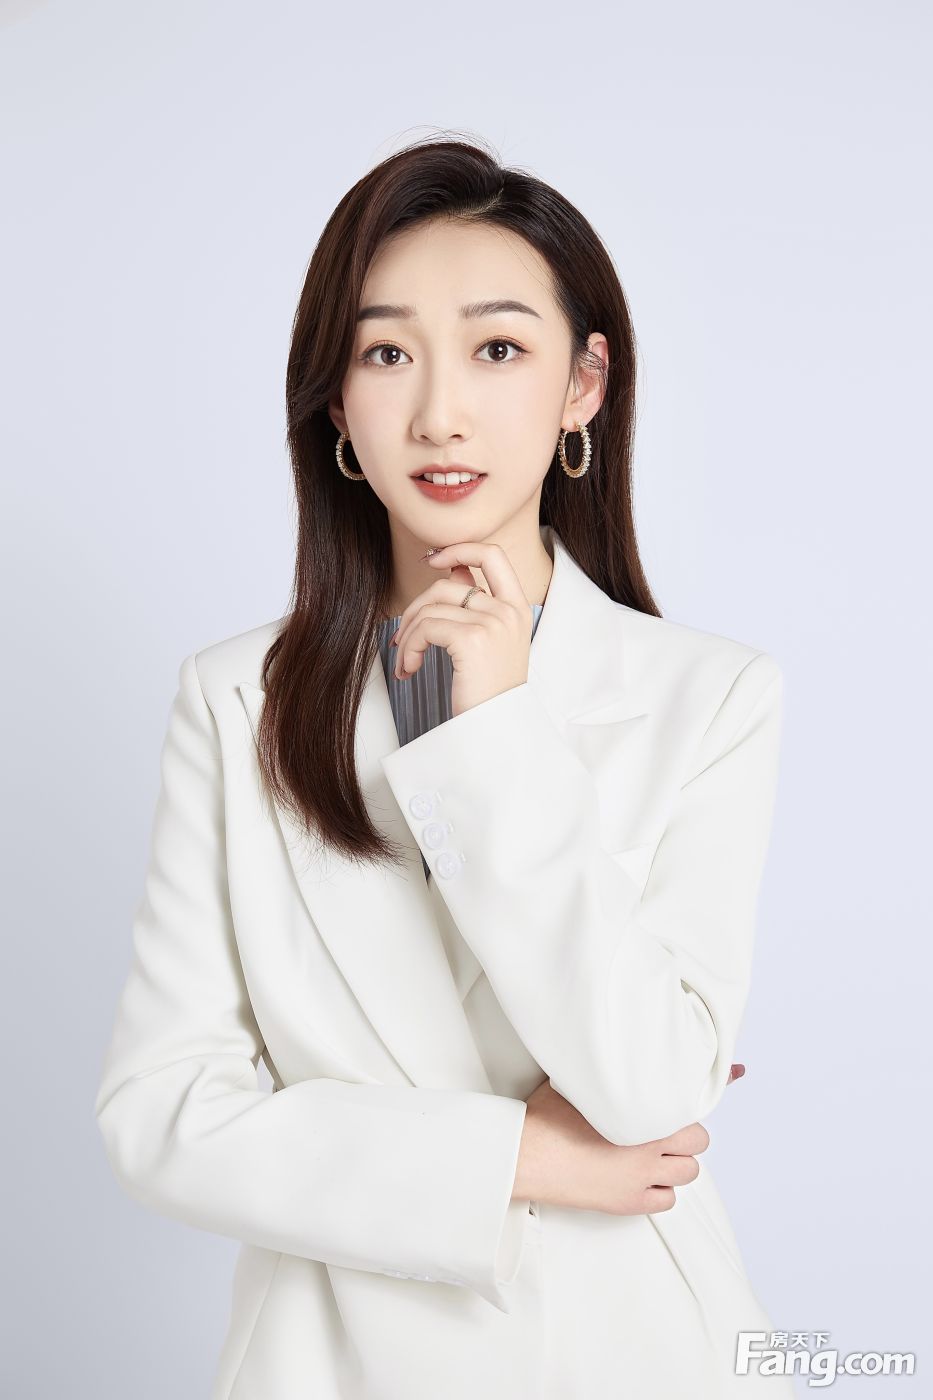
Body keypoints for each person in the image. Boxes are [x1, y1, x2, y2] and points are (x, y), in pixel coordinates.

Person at [94, 135, 793, 1399]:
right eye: (385, 354)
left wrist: (498, 729)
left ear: (584, 385)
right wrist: (518, 1157)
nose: (439, 413)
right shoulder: (235, 699)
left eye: (499, 348)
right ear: (336, 404)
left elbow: (646, 1084)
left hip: (630, 1346)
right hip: (327, 1357)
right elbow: (160, 1115)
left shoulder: (711, 697)